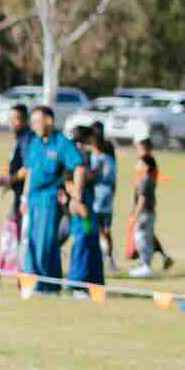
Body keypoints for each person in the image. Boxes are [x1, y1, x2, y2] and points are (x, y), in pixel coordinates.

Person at [15, 106, 88, 296]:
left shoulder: (61, 143)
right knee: (31, 243)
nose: (34, 125)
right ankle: (34, 283)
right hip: (32, 200)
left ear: (49, 121)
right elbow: (30, 171)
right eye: (33, 122)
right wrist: (24, 197)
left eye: (37, 121)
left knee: (45, 243)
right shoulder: (35, 143)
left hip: (50, 201)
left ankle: (47, 286)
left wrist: (77, 195)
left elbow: (79, 166)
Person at [64, 125, 106, 294]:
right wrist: (78, 200)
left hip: (88, 205)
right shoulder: (74, 158)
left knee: (91, 239)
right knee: (83, 240)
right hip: (82, 206)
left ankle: (94, 283)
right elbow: (68, 182)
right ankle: (78, 283)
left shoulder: (86, 157)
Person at [0, 102, 32, 272]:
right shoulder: (19, 139)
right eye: (11, 119)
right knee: (11, 229)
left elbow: (28, 168)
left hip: (27, 196)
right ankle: (2, 269)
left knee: (16, 232)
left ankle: (5, 270)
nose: (13, 122)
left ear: (25, 120)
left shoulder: (27, 140)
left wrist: (11, 179)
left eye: (17, 119)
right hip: (19, 194)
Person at [127, 139, 174, 277]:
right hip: (147, 211)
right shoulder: (146, 176)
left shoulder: (146, 177)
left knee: (142, 237)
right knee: (145, 236)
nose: (137, 163)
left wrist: (135, 214)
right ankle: (148, 262)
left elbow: (142, 198)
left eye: (139, 163)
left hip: (145, 212)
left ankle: (146, 265)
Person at [90, 127, 119, 264]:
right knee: (106, 230)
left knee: (91, 228)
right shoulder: (111, 159)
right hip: (107, 200)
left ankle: (98, 256)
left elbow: (92, 176)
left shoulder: (96, 159)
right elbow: (114, 183)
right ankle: (110, 258)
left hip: (95, 200)